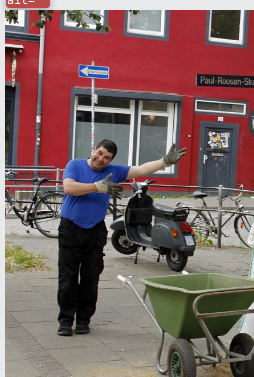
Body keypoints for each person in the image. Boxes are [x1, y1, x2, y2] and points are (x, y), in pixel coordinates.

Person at [56, 139, 186, 336]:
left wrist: (165, 162)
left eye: (106, 157)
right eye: (99, 153)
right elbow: (69, 188)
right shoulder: (75, 165)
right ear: (94, 149)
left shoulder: (114, 171)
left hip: (94, 231)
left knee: (91, 278)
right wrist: (97, 187)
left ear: (111, 160)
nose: (101, 159)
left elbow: (141, 169)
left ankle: (83, 320)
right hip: (71, 229)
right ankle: (65, 321)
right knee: (68, 278)